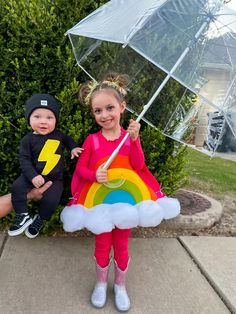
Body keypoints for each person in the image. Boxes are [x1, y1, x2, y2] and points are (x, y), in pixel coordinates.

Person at [60, 73, 180, 312]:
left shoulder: (128, 137)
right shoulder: (92, 140)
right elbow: (81, 169)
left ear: (122, 107)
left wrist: (135, 140)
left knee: (122, 245)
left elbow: (138, 165)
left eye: (109, 108)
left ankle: (121, 286)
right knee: (102, 244)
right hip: (101, 206)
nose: (104, 115)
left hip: (125, 204)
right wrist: (94, 175)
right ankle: (101, 283)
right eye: (97, 111)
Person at [8, 93, 83, 238]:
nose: (43, 121)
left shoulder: (58, 135)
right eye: (37, 117)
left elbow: (68, 140)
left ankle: (40, 219)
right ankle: (22, 215)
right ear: (29, 119)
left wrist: (73, 147)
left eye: (49, 117)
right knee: (17, 187)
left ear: (56, 121)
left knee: (51, 201)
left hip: (55, 179)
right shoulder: (27, 140)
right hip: (32, 175)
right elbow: (24, 160)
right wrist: (32, 176)